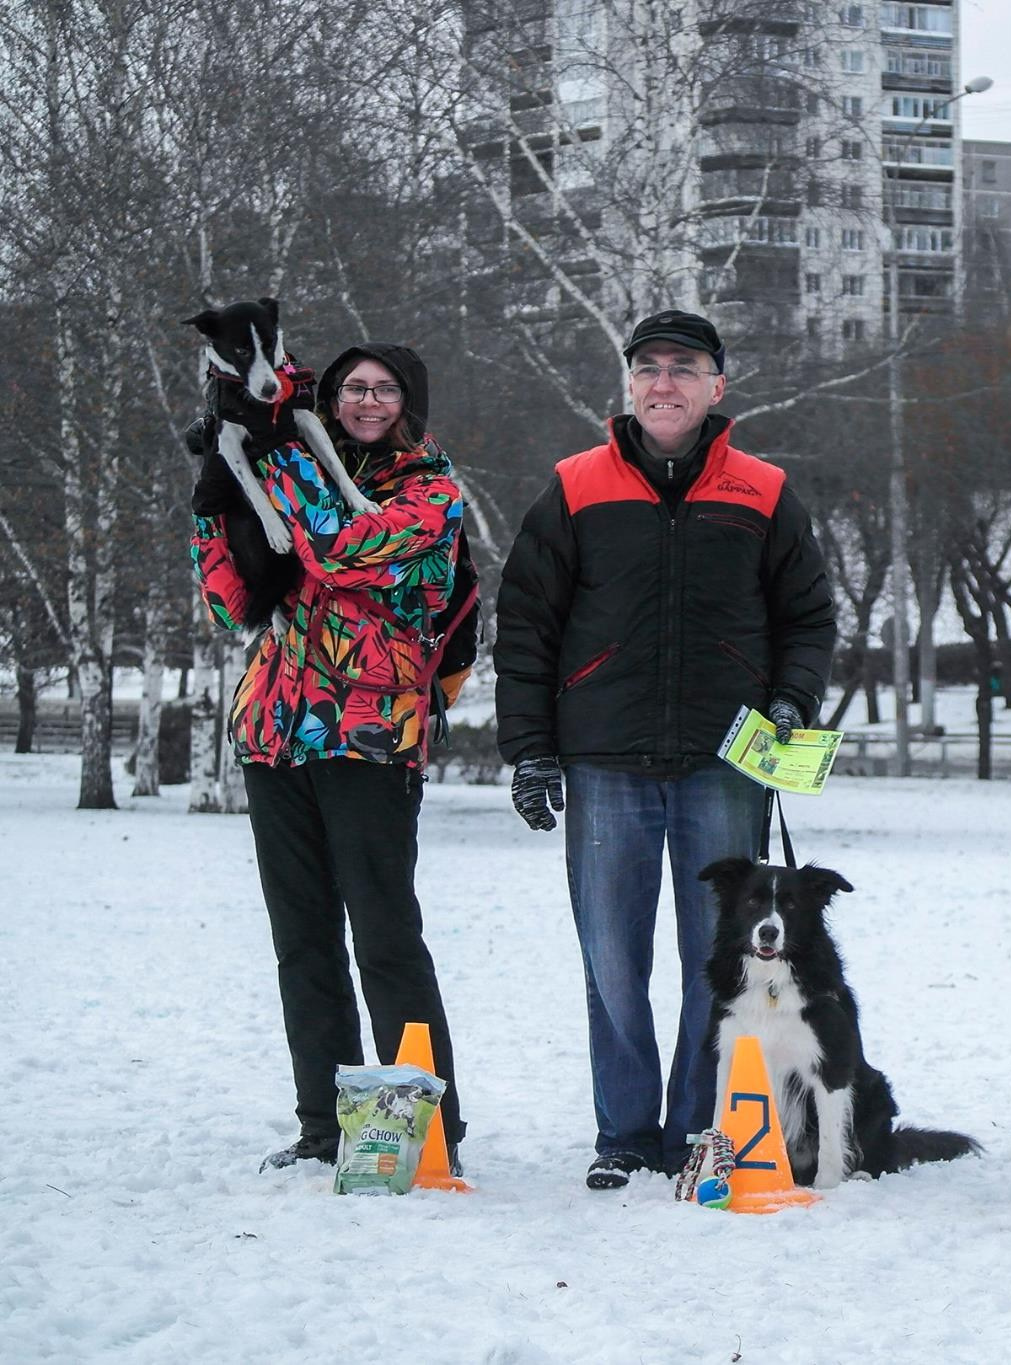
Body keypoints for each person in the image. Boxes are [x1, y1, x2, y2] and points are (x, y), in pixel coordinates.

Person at [494, 310, 836, 1190]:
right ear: (630, 385)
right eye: (649, 368)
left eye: (684, 368)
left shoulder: (761, 489)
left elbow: (807, 615)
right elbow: (527, 626)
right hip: (604, 757)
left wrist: (793, 699)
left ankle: (697, 1127)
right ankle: (624, 1131)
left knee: (715, 960)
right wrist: (531, 748)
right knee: (612, 956)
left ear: (718, 385)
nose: (664, 383)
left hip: (725, 761)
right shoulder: (575, 486)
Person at [190, 342, 471, 1173]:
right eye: (353, 387)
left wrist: (278, 455)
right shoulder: (288, 474)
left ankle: (422, 1129)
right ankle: (327, 1126)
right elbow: (230, 600)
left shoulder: (430, 494)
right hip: (274, 735)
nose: (368, 401)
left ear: (410, 402)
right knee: (302, 942)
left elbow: (339, 547)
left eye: (386, 389)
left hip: (369, 736)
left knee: (385, 938)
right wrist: (217, 488)